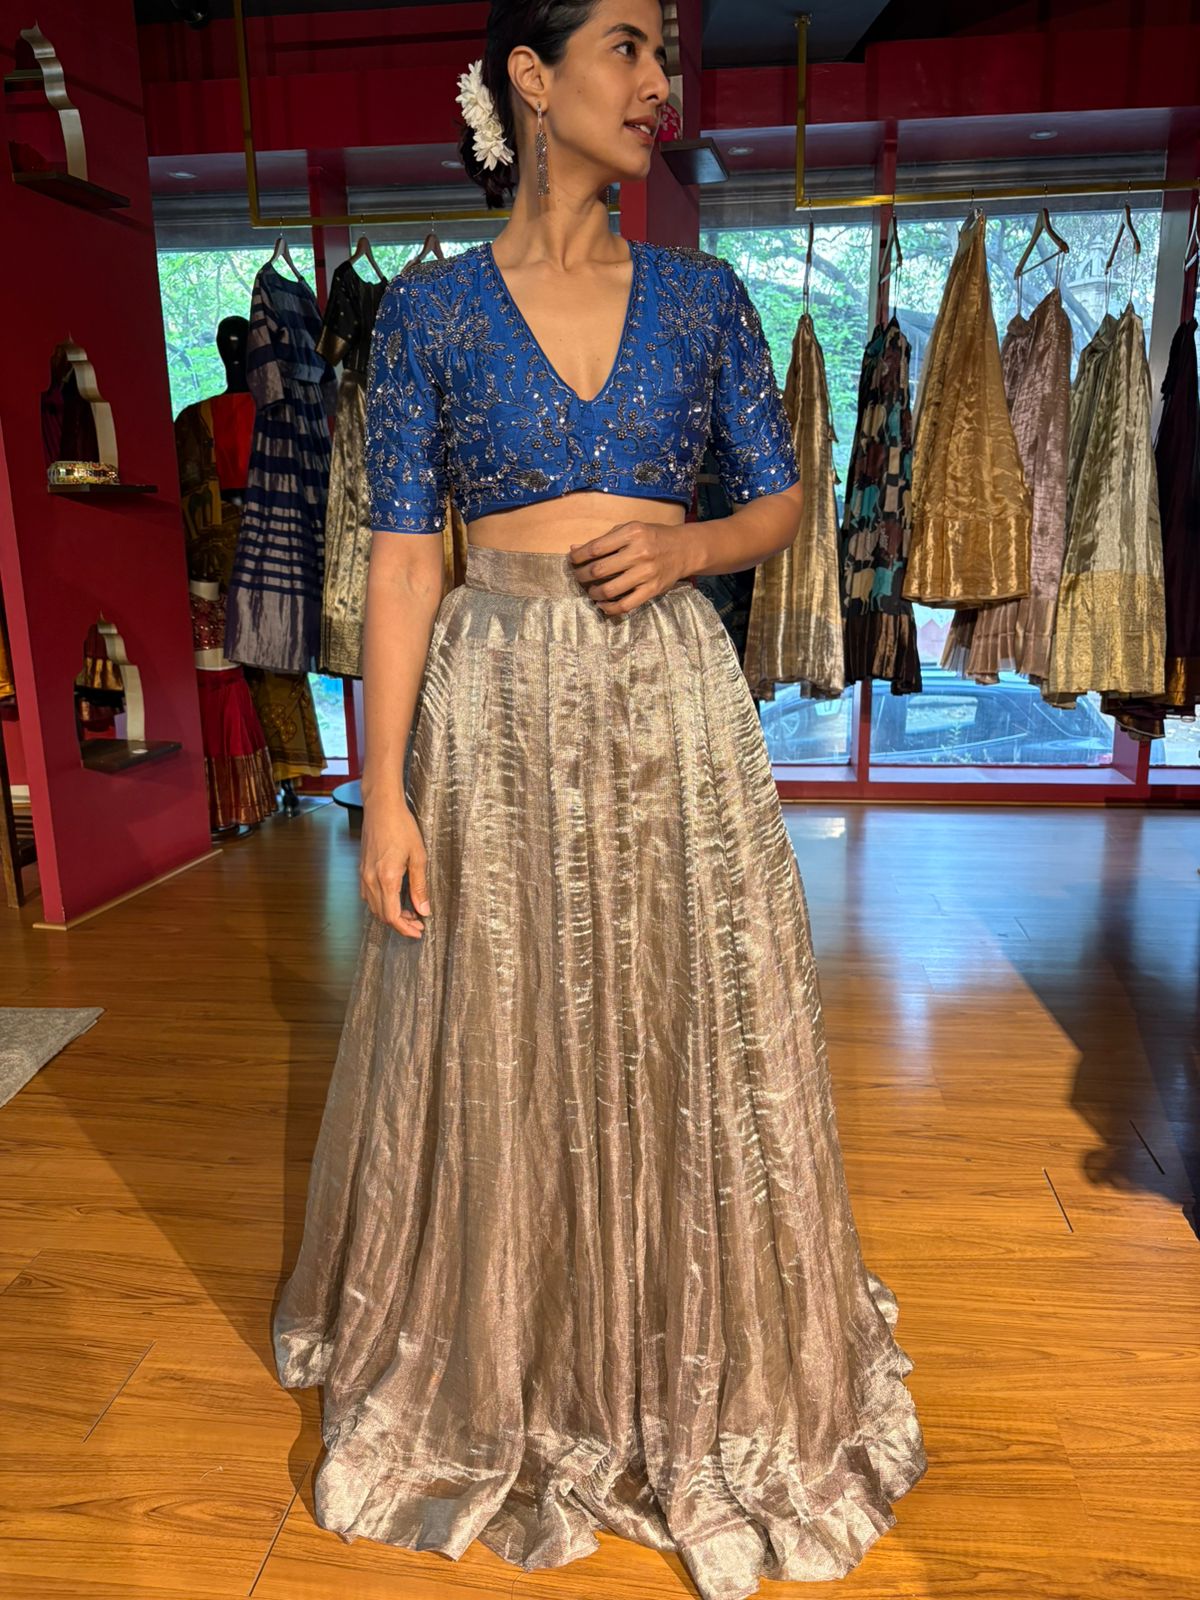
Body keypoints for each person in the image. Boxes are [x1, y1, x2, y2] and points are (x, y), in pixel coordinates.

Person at [272, 3, 928, 1597]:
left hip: (665, 704)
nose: (659, 83)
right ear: (530, 76)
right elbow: (405, 561)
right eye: (627, 47)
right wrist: (382, 791)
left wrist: (693, 545)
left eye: (665, 57)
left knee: (682, 1015)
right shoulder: (428, 311)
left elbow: (779, 496)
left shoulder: (704, 299)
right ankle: (515, 1352)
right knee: (501, 1023)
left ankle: (679, 1352)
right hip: (491, 710)